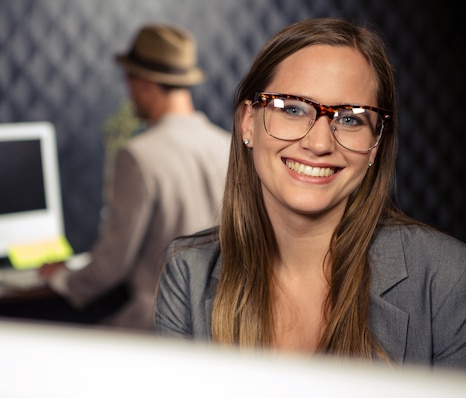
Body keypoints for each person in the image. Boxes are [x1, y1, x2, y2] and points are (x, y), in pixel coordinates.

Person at [154, 17, 466, 369]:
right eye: (291, 109)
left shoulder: (449, 278)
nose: (319, 143)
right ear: (247, 123)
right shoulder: (187, 273)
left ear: (375, 144)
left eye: (350, 119)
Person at [39, 24, 230, 331]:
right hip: (220, 326)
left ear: (144, 84)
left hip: (158, 325)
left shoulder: (139, 156)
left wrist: (62, 279)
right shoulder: (229, 145)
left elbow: (112, 265)